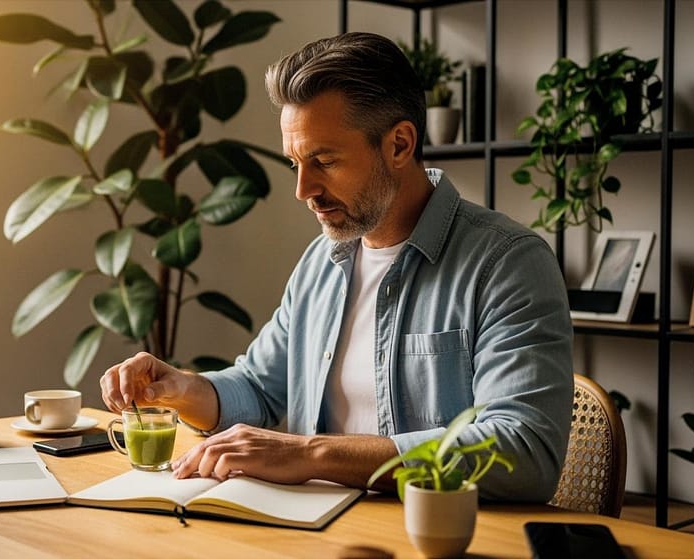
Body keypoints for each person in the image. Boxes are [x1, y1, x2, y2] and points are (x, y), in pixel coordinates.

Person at [100, 32, 573, 501]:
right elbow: (259, 389)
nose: (303, 190)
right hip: (318, 534)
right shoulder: (322, 263)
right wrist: (181, 387)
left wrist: (311, 455)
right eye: (295, 164)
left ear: (400, 145)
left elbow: (523, 451)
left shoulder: (508, 264)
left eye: (323, 160)